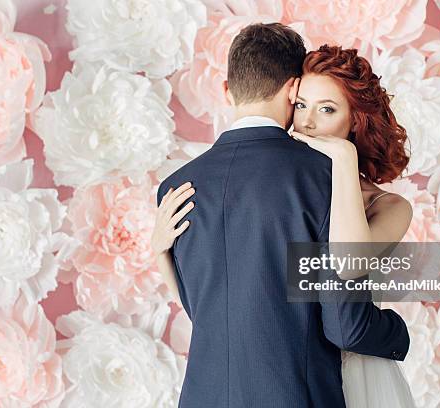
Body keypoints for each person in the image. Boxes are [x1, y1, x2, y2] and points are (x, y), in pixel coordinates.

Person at [152, 23, 411, 408]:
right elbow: (346, 326)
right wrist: (399, 334)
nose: (308, 118)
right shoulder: (326, 182)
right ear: (293, 90)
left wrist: (159, 253)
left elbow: (212, 312)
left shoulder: (175, 188)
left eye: (326, 108)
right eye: (306, 103)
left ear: (227, 89)